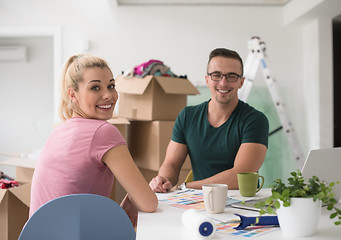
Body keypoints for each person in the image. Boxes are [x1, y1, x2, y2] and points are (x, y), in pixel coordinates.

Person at [30, 54, 157, 226]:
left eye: (111, 86)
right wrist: (141, 195)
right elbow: (149, 204)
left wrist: (132, 200)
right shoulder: (103, 132)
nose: (108, 95)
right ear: (73, 95)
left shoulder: (58, 130)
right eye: (95, 88)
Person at [149, 48, 269, 192]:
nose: (223, 83)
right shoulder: (187, 116)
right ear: (207, 80)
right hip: (199, 200)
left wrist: (187, 187)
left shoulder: (255, 120)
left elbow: (240, 176)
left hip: (240, 202)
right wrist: (163, 180)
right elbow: (172, 164)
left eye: (231, 76)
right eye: (216, 75)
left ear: (241, 82)